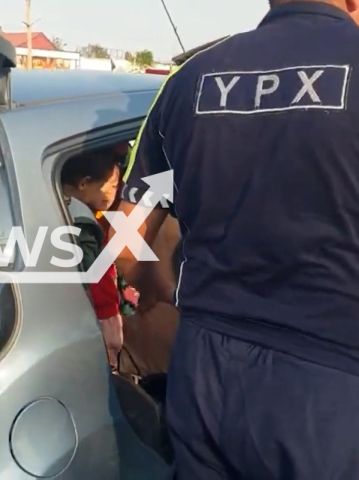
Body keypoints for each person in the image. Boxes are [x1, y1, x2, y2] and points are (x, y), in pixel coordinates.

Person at [112, 1, 359, 479]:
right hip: (332, 380)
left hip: (205, 374)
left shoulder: (190, 80)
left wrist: (158, 284)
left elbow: (124, 239)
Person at [62, 148, 125, 367]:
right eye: (113, 185)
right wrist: (111, 329)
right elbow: (95, 277)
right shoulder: (83, 222)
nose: (116, 194)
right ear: (84, 183)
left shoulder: (56, 202)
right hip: (94, 320)